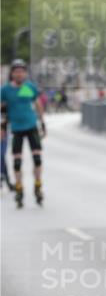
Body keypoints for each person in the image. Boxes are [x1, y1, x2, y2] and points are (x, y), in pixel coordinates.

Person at [0, 59, 46, 208]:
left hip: (31, 126)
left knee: (37, 159)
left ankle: (37, 185)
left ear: (25, 73)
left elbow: (37, 104)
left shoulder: (29, 87)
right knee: (17, 161)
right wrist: (2, 127)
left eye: (21, 72)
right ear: (12, 74)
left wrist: (42, 122)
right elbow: (2, 108)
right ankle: (19, 188)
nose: (19, 74)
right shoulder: (5, 90)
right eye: (16, 72)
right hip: (16, 128)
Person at [1, 102, 15, 190]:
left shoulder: (6, 106)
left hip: (4, 135)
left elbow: (9, 118)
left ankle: (6, 179)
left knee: (1, 156)